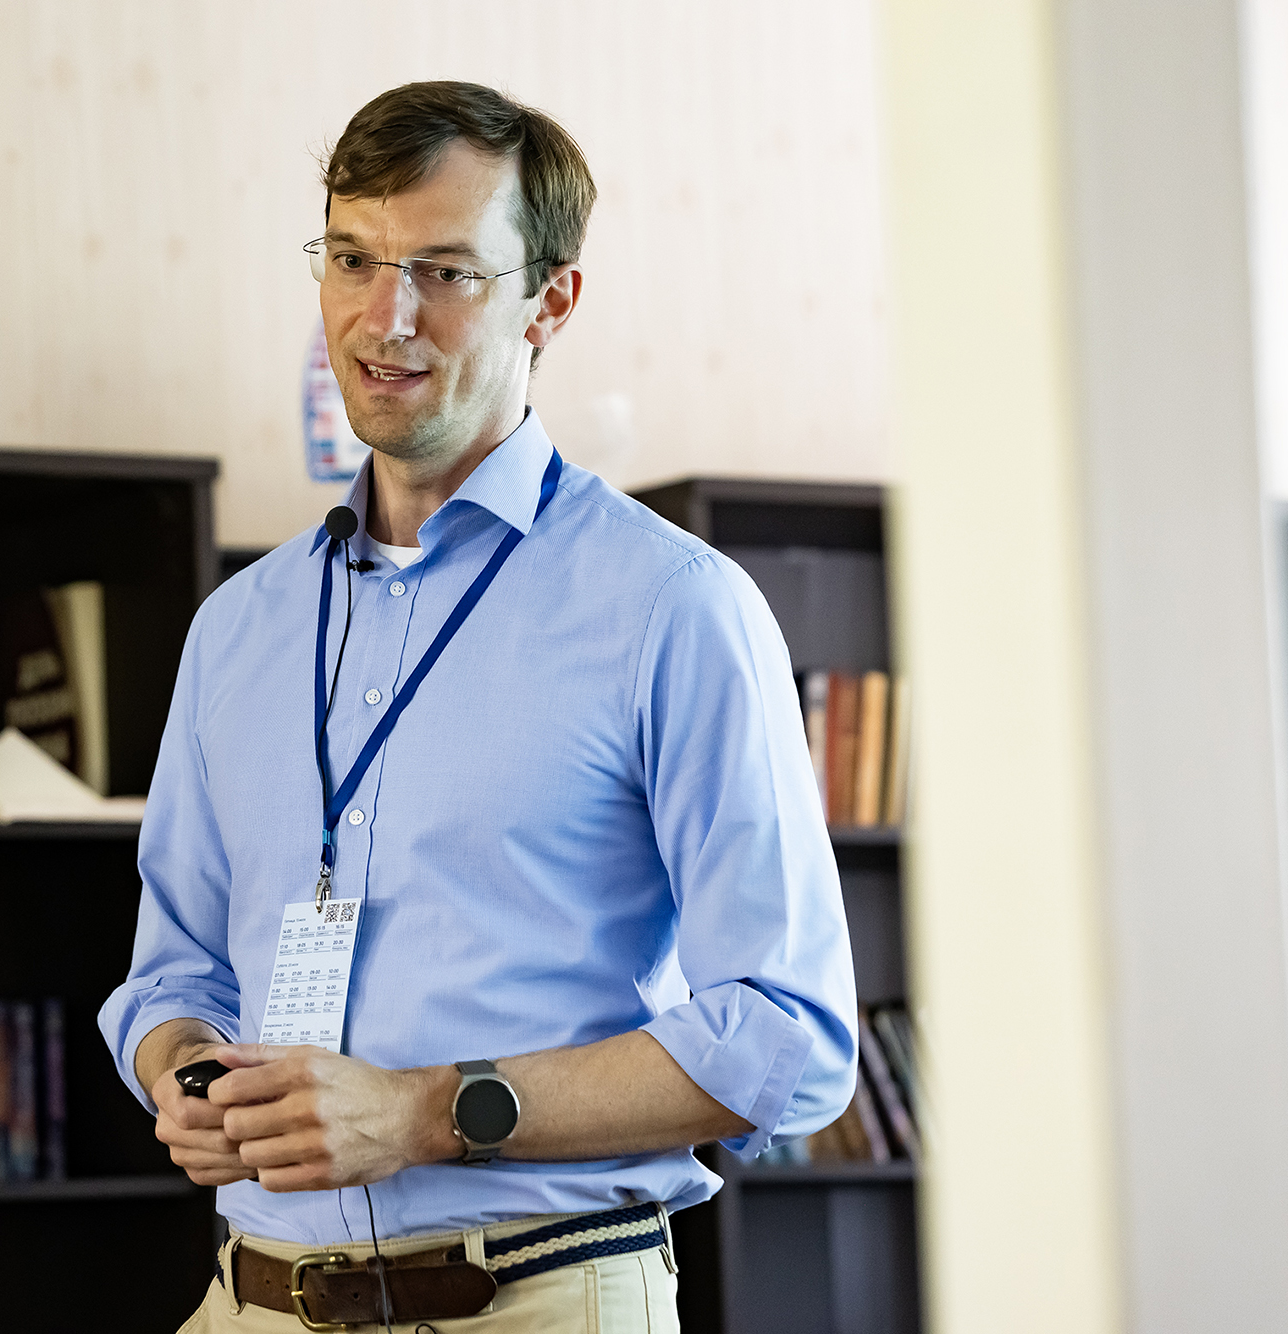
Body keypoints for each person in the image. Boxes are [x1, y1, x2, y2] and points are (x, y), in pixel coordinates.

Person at [99, 80, 857, 1333]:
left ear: (548, 301)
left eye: (444, 272)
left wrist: (419, 1110)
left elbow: (785, 1037)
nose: (382, 316)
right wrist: (183, 1067)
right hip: (252, 1296)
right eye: (352, 258)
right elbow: (172, 967)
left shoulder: (674, 608)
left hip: (536, 1296)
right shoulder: (234, 628)